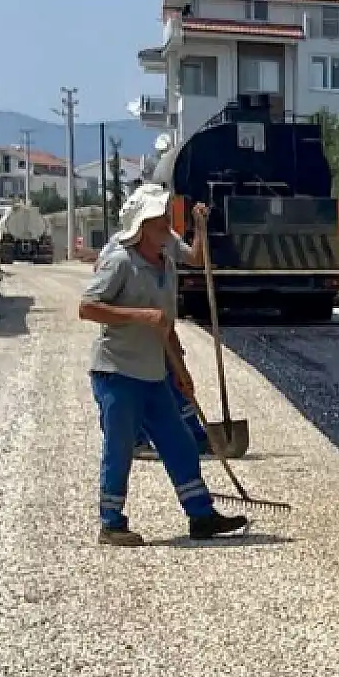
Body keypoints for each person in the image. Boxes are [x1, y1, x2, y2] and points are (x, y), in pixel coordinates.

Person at [79, 184, 247, 546]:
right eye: (159, 221)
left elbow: (164, 322)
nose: (167, 226)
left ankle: (201, 516)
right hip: (117, 373)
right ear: (140, 227)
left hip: (155, 374)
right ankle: (111, 523)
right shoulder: (120, 262)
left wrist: (181, 371)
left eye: (166, 219)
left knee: (180, 443)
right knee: (120, 448)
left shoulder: (167, 264)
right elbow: (87, 308)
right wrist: (140, 315)